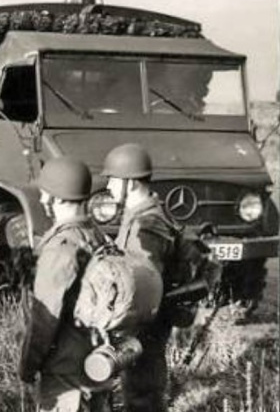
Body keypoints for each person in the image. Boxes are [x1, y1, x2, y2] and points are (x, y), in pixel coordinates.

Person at [19, 157, 112, 412]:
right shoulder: (99, 236)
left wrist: (27, 368)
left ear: (56, 198)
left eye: (45, 194)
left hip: (66, 372)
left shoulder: (62, 248)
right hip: (98, 361)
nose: (42, 200)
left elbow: (44, 319)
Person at [101, 143, 187, 412]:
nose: (110, 187)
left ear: (130, 182)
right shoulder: (145, 213)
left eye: (113, 180)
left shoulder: (146, 224)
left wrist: (123, 330)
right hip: (151, 316)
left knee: (141, 391)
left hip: (144, 321)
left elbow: (142, 286)